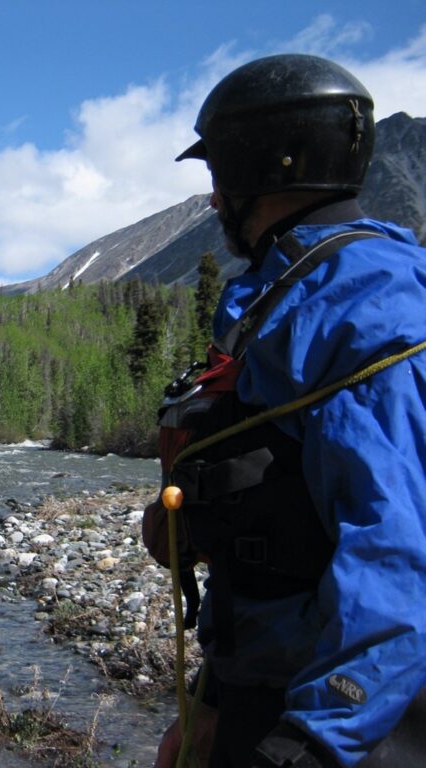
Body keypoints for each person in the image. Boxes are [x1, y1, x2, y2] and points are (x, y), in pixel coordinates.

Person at [147, 53, 426, 767]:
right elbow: (275, 518)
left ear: (261, 169)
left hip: (352, 722)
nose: (212, 201)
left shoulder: (366, 307)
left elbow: (399, 551)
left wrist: (307, 744)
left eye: (218, 177)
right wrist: (212, 700)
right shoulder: (291, 290)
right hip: (261, 685)